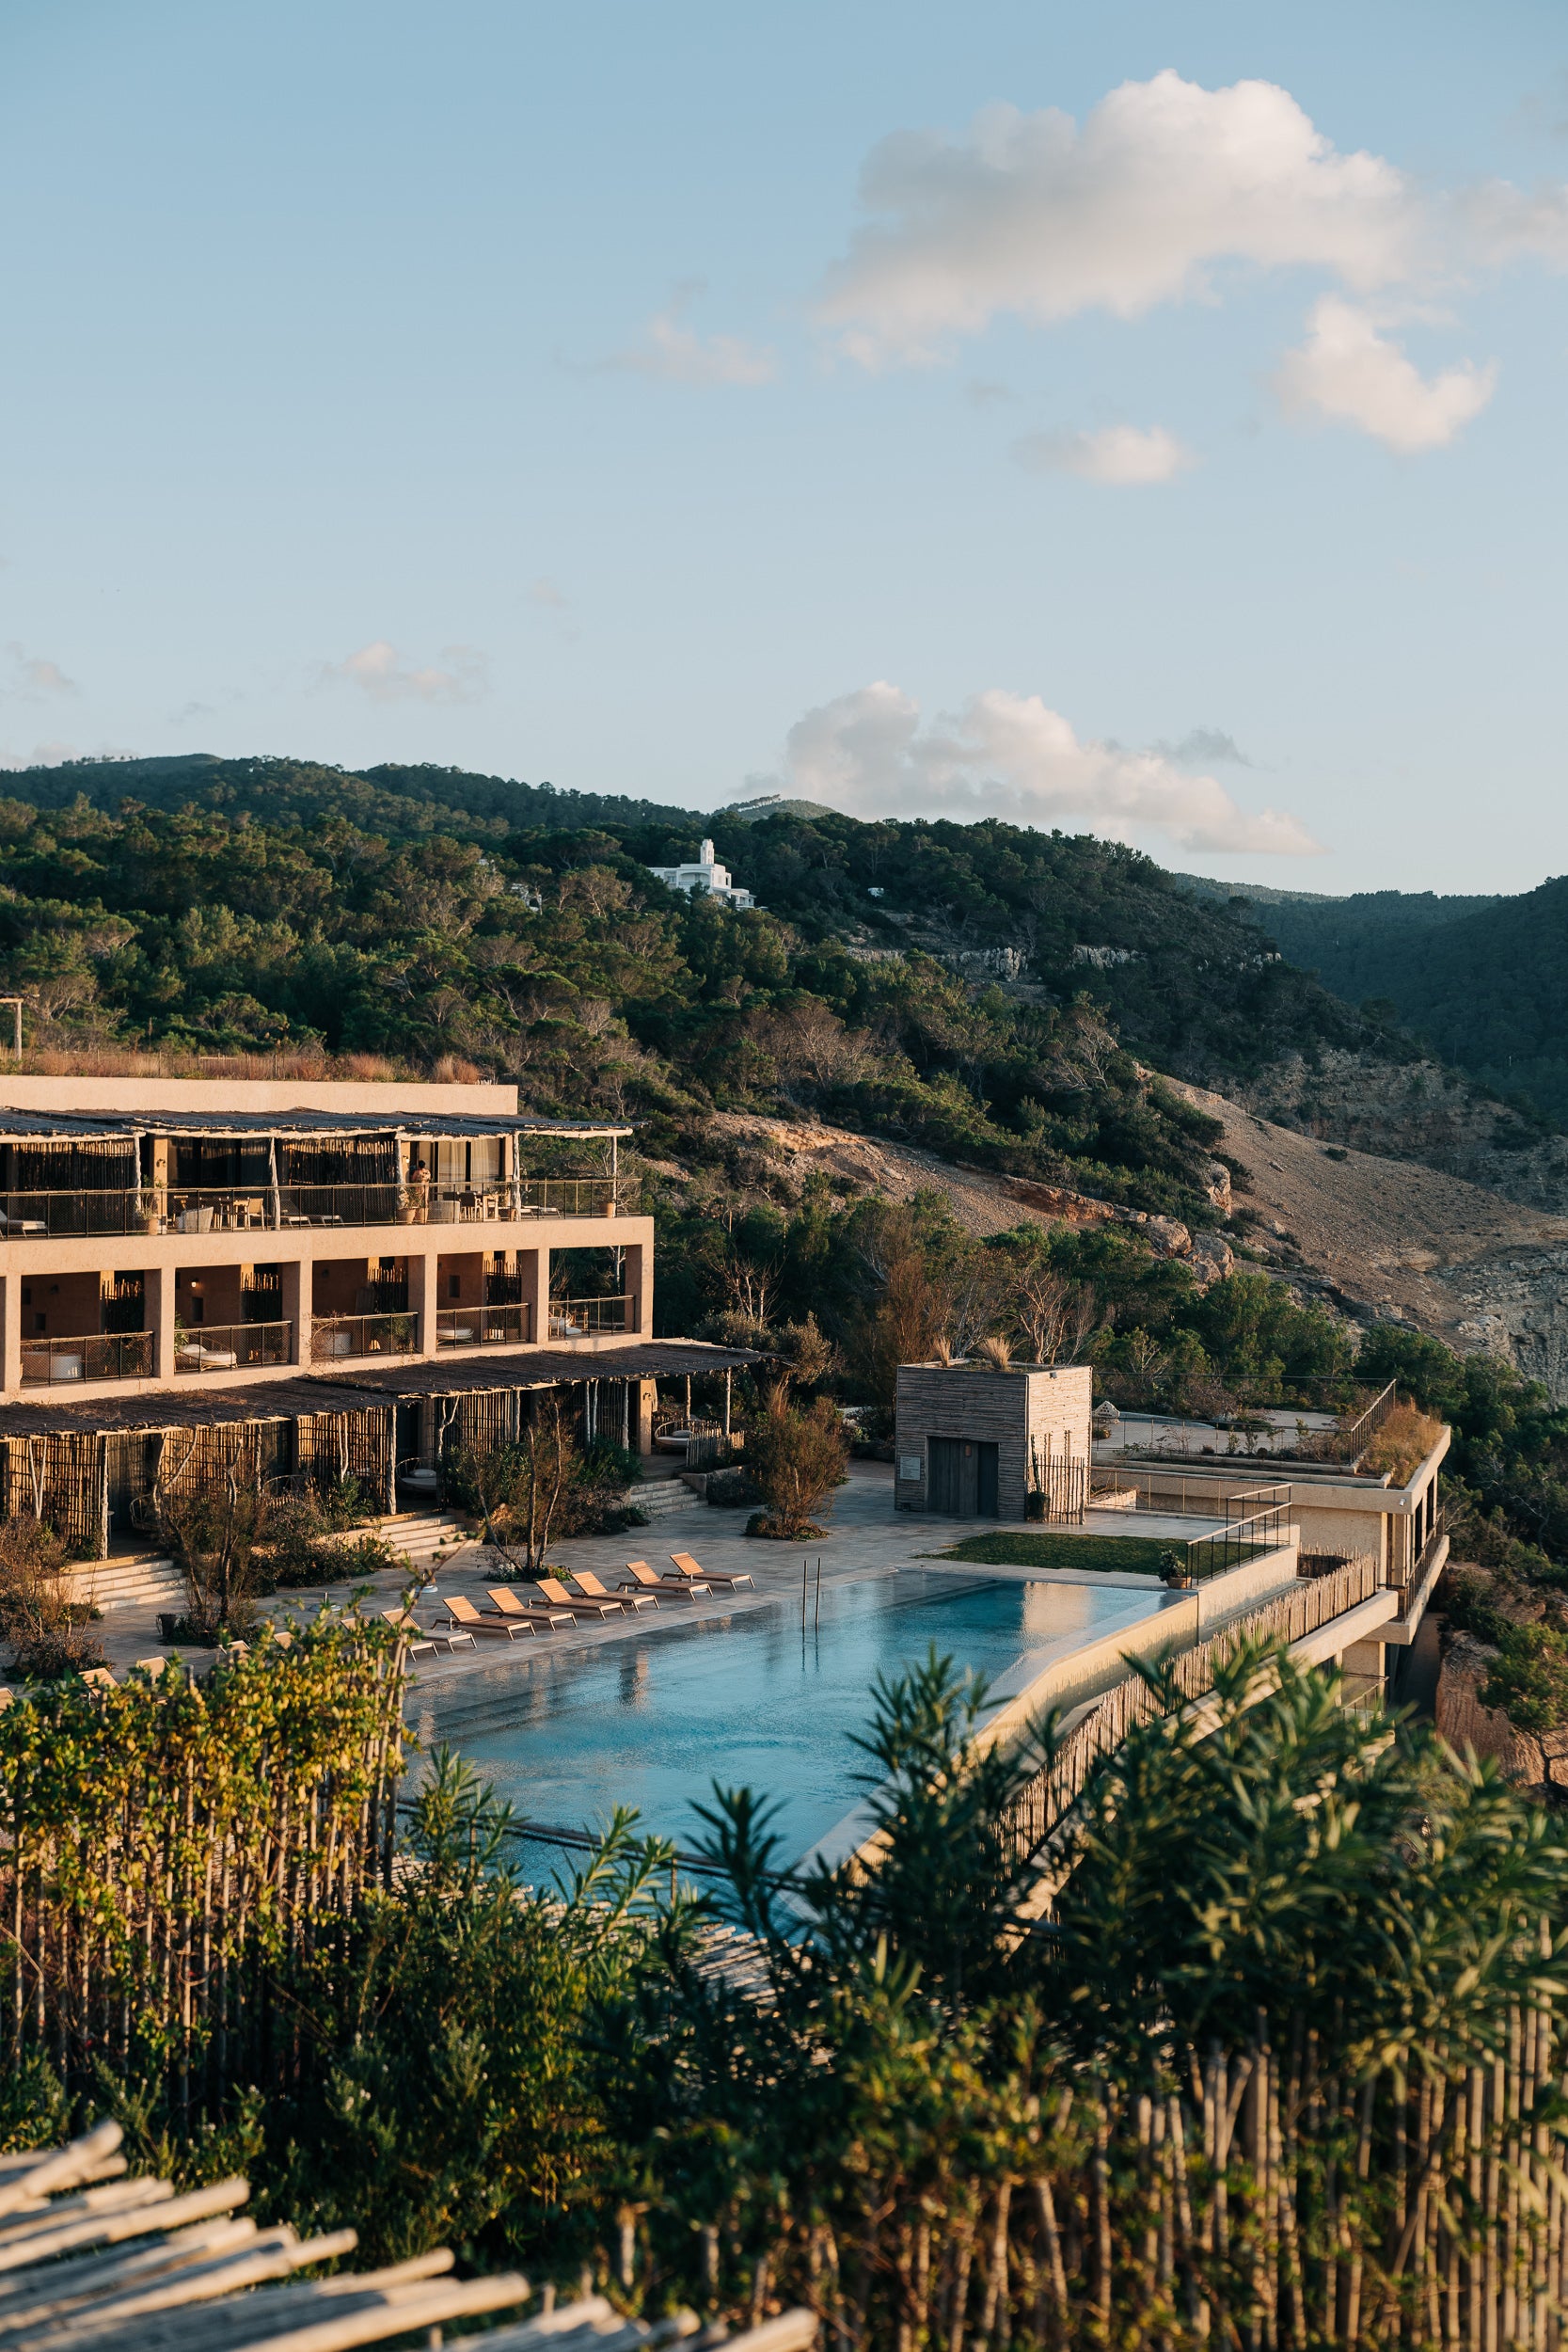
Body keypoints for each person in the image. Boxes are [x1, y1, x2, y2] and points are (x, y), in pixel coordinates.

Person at [407, 1157, 431, 1223]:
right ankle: (424, 1217)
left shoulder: (418, 1172)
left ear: (419, 1166)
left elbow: (412, 1179)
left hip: (419, 1187)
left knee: (417, 1200)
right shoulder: (428, 1172)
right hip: (426, 1187)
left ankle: (418, 1217)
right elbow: (429, 1179)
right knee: (425, 1200)